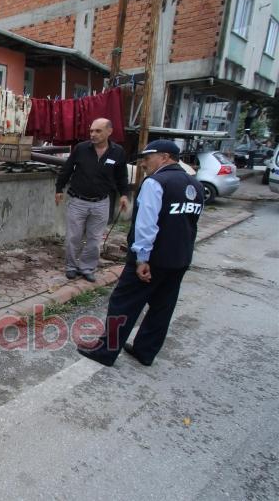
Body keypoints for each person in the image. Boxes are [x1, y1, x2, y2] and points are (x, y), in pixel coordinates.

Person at [77, 140, 204, 367]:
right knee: (162, 307)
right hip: (180, 258)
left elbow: (147, 224)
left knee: (123, 303)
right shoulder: (195, 184)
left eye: (147, 158)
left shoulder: (156, 182)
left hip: (152, 259)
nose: (143, 163)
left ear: (164, 157)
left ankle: (106, 351)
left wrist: (142, 258)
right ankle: (145, 351)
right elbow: (190, 222)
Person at [55, 118, 129, 282]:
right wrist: (59, 188)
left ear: (109, 131)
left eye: (98, 131)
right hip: (78, 201)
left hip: (101, 203)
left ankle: (87, 268)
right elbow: (67, 169)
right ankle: (71, 267)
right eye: (91, 131)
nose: (93, 134)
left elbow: (122, 176)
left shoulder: (117, 152)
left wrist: (124, 194)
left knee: (94, 239)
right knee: (73, 237)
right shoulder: (81, 148)